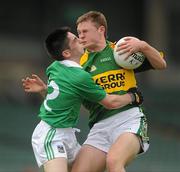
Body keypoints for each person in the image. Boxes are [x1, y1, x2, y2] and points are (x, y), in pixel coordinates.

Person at [22, 26, 143, 172]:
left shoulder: (54, 67)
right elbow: (110, 103)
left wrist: (44, 90)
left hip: (67, 134)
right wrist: (133, 96)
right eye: (75, 40)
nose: (80, 39)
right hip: (51, 134)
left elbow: (61, 94)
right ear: (66, 53)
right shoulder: (80, 76)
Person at [70, 11, 167, 172]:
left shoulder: (122, 50)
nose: (80, 36)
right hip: (99, 125)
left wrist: (142, 45)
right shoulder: (79, 64)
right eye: (79, 33)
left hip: (128, 120)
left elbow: (161, 64)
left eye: (85, 31)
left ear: (101, 30)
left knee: (114, 162)